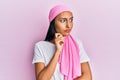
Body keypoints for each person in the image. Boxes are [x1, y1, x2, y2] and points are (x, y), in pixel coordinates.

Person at [32, 5, 92, 80]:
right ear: (53, 23)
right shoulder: (40, 46)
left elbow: (87, 76)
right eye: (63, 20)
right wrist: (57, 51)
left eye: (71, 20)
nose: (68, 25)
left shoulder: (77, 44)